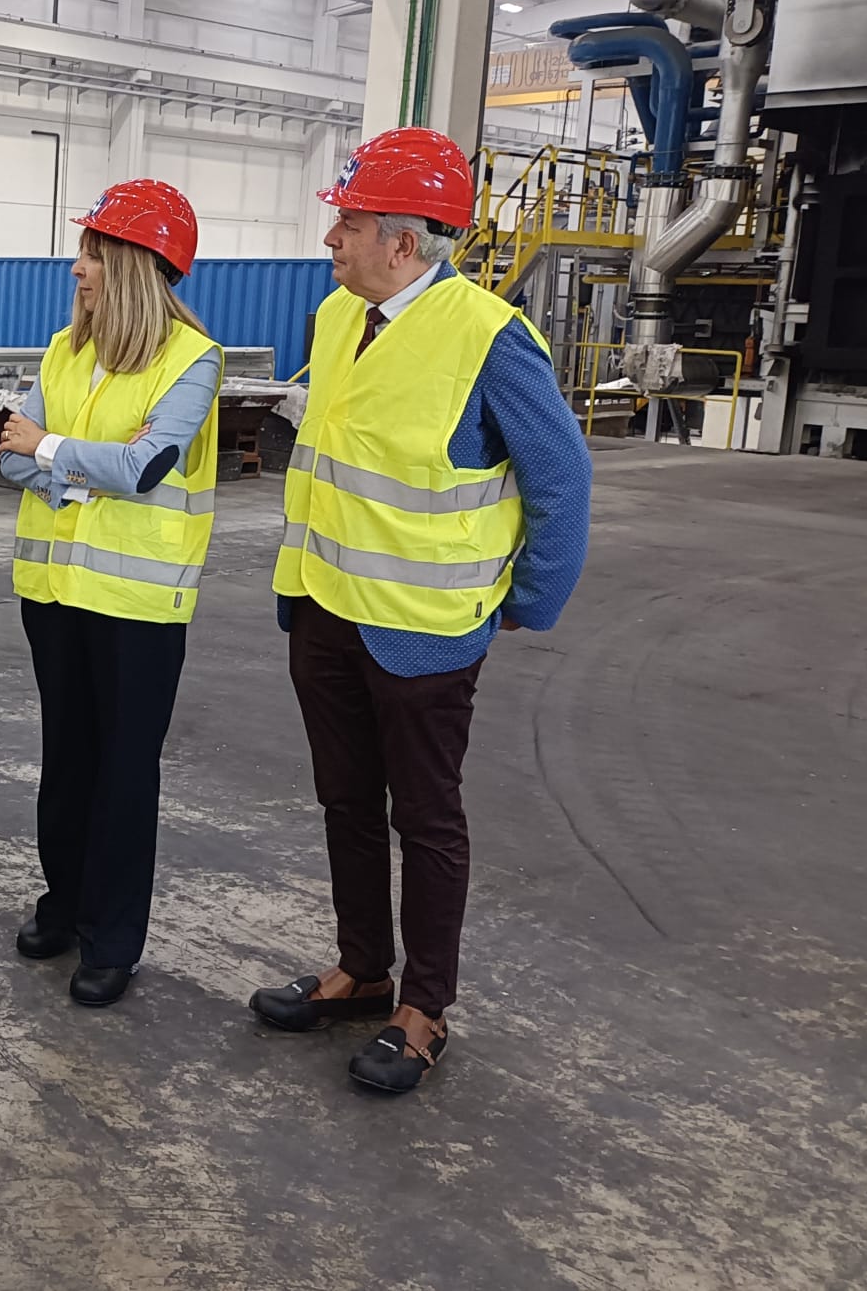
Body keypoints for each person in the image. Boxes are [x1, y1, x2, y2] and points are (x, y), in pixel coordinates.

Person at [252, 127, 591, 1092]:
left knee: (426, 819)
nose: (332, 240)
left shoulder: (487, 336)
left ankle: (423, 1007)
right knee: (346, 801)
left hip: (423, 631)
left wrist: (531, 599)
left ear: (403, 242)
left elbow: (560, 476)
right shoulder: (336, 318)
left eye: (347, 224)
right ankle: (362, 969)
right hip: (323, 606)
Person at [0, 180, 223, 1009]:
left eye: (92, 253)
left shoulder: (191, 360)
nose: (77, 267)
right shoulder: (65, 351)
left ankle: (113, 935)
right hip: (54, 591)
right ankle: (65, 901)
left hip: (137, 606)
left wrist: (53, 446)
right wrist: (81, 467)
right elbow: (8, 457)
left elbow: (147, 466)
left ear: (130, 264)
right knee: (68, 759)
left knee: (125, 771)